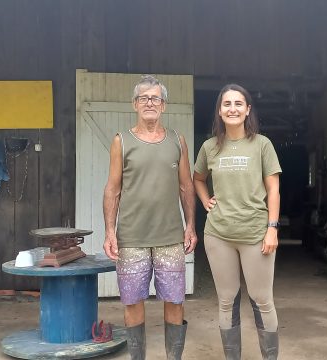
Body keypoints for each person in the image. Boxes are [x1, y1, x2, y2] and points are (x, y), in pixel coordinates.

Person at [102, 75, 197, 360]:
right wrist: (109, 231)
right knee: (132, 301)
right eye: (144, 98)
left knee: (175, 299)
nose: (150, 103)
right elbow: (113, 189)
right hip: (131, 238)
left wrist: (190, 225)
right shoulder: (122, 140)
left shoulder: (176, 140)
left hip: (171, 236)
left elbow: (186, 185)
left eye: (155, 98)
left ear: (164, 105)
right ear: (135, 104)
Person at [194, 84, 282, 360]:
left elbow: (273, 190)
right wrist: (205, 199)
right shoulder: (209, 147)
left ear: (247, 110)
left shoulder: (262, 144)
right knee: (226, 299)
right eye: (226, 104)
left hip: (256, 233)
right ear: (219, 111)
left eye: (238, 103)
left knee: (262, 299)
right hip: (218, 234)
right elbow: (197, 178)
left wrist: (272, 229)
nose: (232, 109)